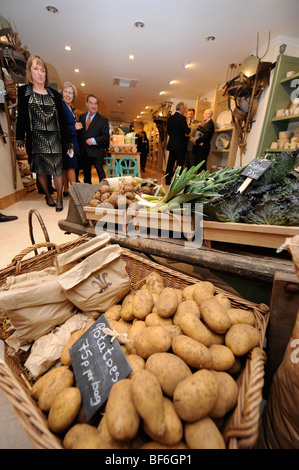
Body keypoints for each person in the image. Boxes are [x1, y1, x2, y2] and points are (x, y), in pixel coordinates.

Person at [16, 54, 73, 212]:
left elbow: (61, 120)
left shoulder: (54, 94)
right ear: (30, 71)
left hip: (55, 138)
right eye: (36, 69)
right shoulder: (24, 92)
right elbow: (21, 117)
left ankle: (60, 198)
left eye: (43, 70)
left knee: (58, 170)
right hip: (36, 139)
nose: (40, 73)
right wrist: (19, 138)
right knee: (41, 170)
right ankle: (48, 195)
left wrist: (67, 141)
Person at [77, 94, 109, 184]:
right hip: (84, 151)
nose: (93, 106)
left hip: (97, 151)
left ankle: (104, 191)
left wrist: (93, 140)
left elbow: (105, 137)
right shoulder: (82, 117)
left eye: (95, 104)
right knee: (86, 175)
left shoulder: (103, 120)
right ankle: (88, 193)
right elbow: (80, 134)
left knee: (101, 174)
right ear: (86, 103)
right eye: (91, 103)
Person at [60, 81, 82, 195]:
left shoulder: (71, 108)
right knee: (71, 166)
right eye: (66, 92)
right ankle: (75, 192)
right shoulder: (61, 107)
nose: (68, 95)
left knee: (66, 166)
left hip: (71, 140)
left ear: (74, 96)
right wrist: (74, 127)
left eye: (71, 93)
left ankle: (66, 189)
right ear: (62, 93)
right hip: (65, 141)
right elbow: (60, 125)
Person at [165, 102, 190, 185]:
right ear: (182, 108)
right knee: (179, 165)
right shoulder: (182, 118)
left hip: (172, 144)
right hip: (180, 145)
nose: (185, 111)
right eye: (185, 109)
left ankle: (167, 181)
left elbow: (168, 132)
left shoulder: (170, 118)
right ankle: (177, 182)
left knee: (170, 164)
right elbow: (187, 131)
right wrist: (189, 127)